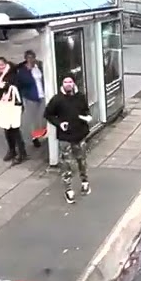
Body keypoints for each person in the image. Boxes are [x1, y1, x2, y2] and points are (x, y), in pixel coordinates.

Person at [44, 76, 93, 204]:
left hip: (79, 135)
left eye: (70, 82)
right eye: (65, 82)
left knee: (81, 160)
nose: (68, 84)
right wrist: (59, 123)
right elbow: (48, 114)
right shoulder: (57, 99)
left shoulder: (80, 97)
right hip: (65, 137)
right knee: (66, 164)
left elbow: (86, 111)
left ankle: (85, 182)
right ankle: (69, 190)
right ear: (62, 84)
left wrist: (87, 117)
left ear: (74, 83)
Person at [0, 57, 26, 164]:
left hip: (14, 104)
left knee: (15, 128)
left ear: (6, 64)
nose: (0, 67)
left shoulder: (12, 73)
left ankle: (22, 152)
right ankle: (12, 150)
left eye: (2, 65)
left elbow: (16, 85)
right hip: (2, 105)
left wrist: (3, 85)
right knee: (6, 129)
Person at [16, 49, 47, 149]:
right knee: (33, 119)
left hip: (42, 95)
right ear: (26, 59)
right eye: (29, 58)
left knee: (43, 116)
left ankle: (43, 133)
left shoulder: (39, 66)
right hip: (31, 97)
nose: (31, 60)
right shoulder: (23, 71)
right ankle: (35, 138)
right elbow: (21, 84)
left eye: (33, 58)